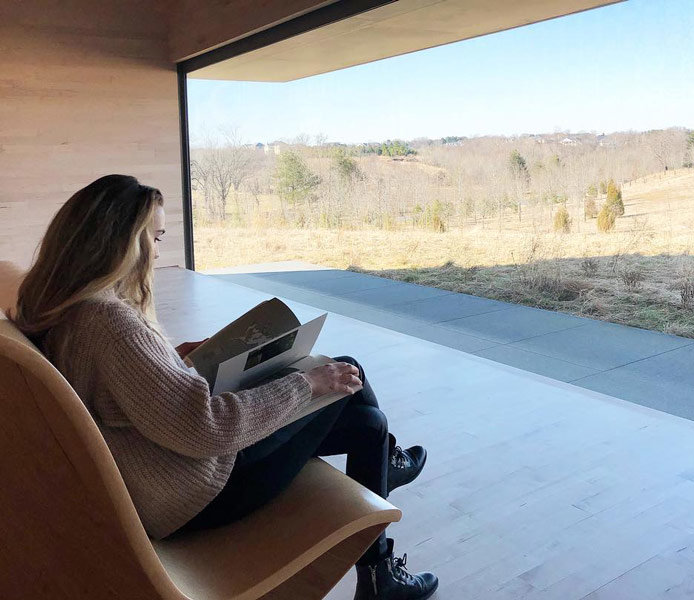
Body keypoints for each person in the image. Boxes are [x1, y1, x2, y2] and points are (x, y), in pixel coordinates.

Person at [13, 174, 438, 600]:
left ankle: (382, 551)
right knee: (351, 388)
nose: (157, 251)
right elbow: (205, 428)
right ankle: (384, 530)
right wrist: (306, 384)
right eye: (155, 238)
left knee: (362, 412)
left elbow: (117, 389)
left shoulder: (59, 309)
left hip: (166, 476)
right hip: (197, 491)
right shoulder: (110, 322)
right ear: (125, 243)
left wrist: (171, 361)